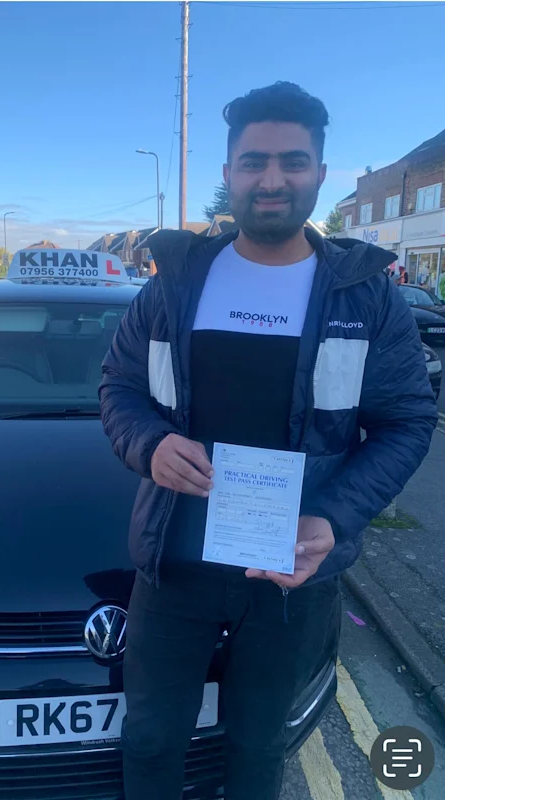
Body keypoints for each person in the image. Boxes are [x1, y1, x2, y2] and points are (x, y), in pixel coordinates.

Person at [98, 81, 437, 800]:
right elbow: (118, 390)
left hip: (292, 577)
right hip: (173, 569)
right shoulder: (177, 283)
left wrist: (334, 518)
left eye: (292, 161)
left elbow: (408, 422)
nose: (273, 179)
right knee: (152, 739)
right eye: (254, 162)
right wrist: (150, 444)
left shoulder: (366, 295)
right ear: (229, 176)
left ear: (319, 172)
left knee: (259, 749)